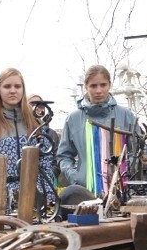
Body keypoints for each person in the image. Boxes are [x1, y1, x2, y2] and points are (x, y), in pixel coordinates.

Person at [56, 65, 138, 196]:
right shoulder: (73, 119)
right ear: (86, 87)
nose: (98, 90)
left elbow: (137, 151)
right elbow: (64, 155)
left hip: (122, 191)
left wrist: (125, 173)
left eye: (103, 85)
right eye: (93, 86)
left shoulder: (126, 115)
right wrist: (75, 177)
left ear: (109, 85)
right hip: (85, 191)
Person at [0, 69, 56, 208]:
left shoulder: (34, 121)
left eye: (17, 86)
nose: (12, 91)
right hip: (2, 196)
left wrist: (48, 194)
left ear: (23, 89)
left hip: (34, 193)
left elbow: (45, 161)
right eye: (7, 86)